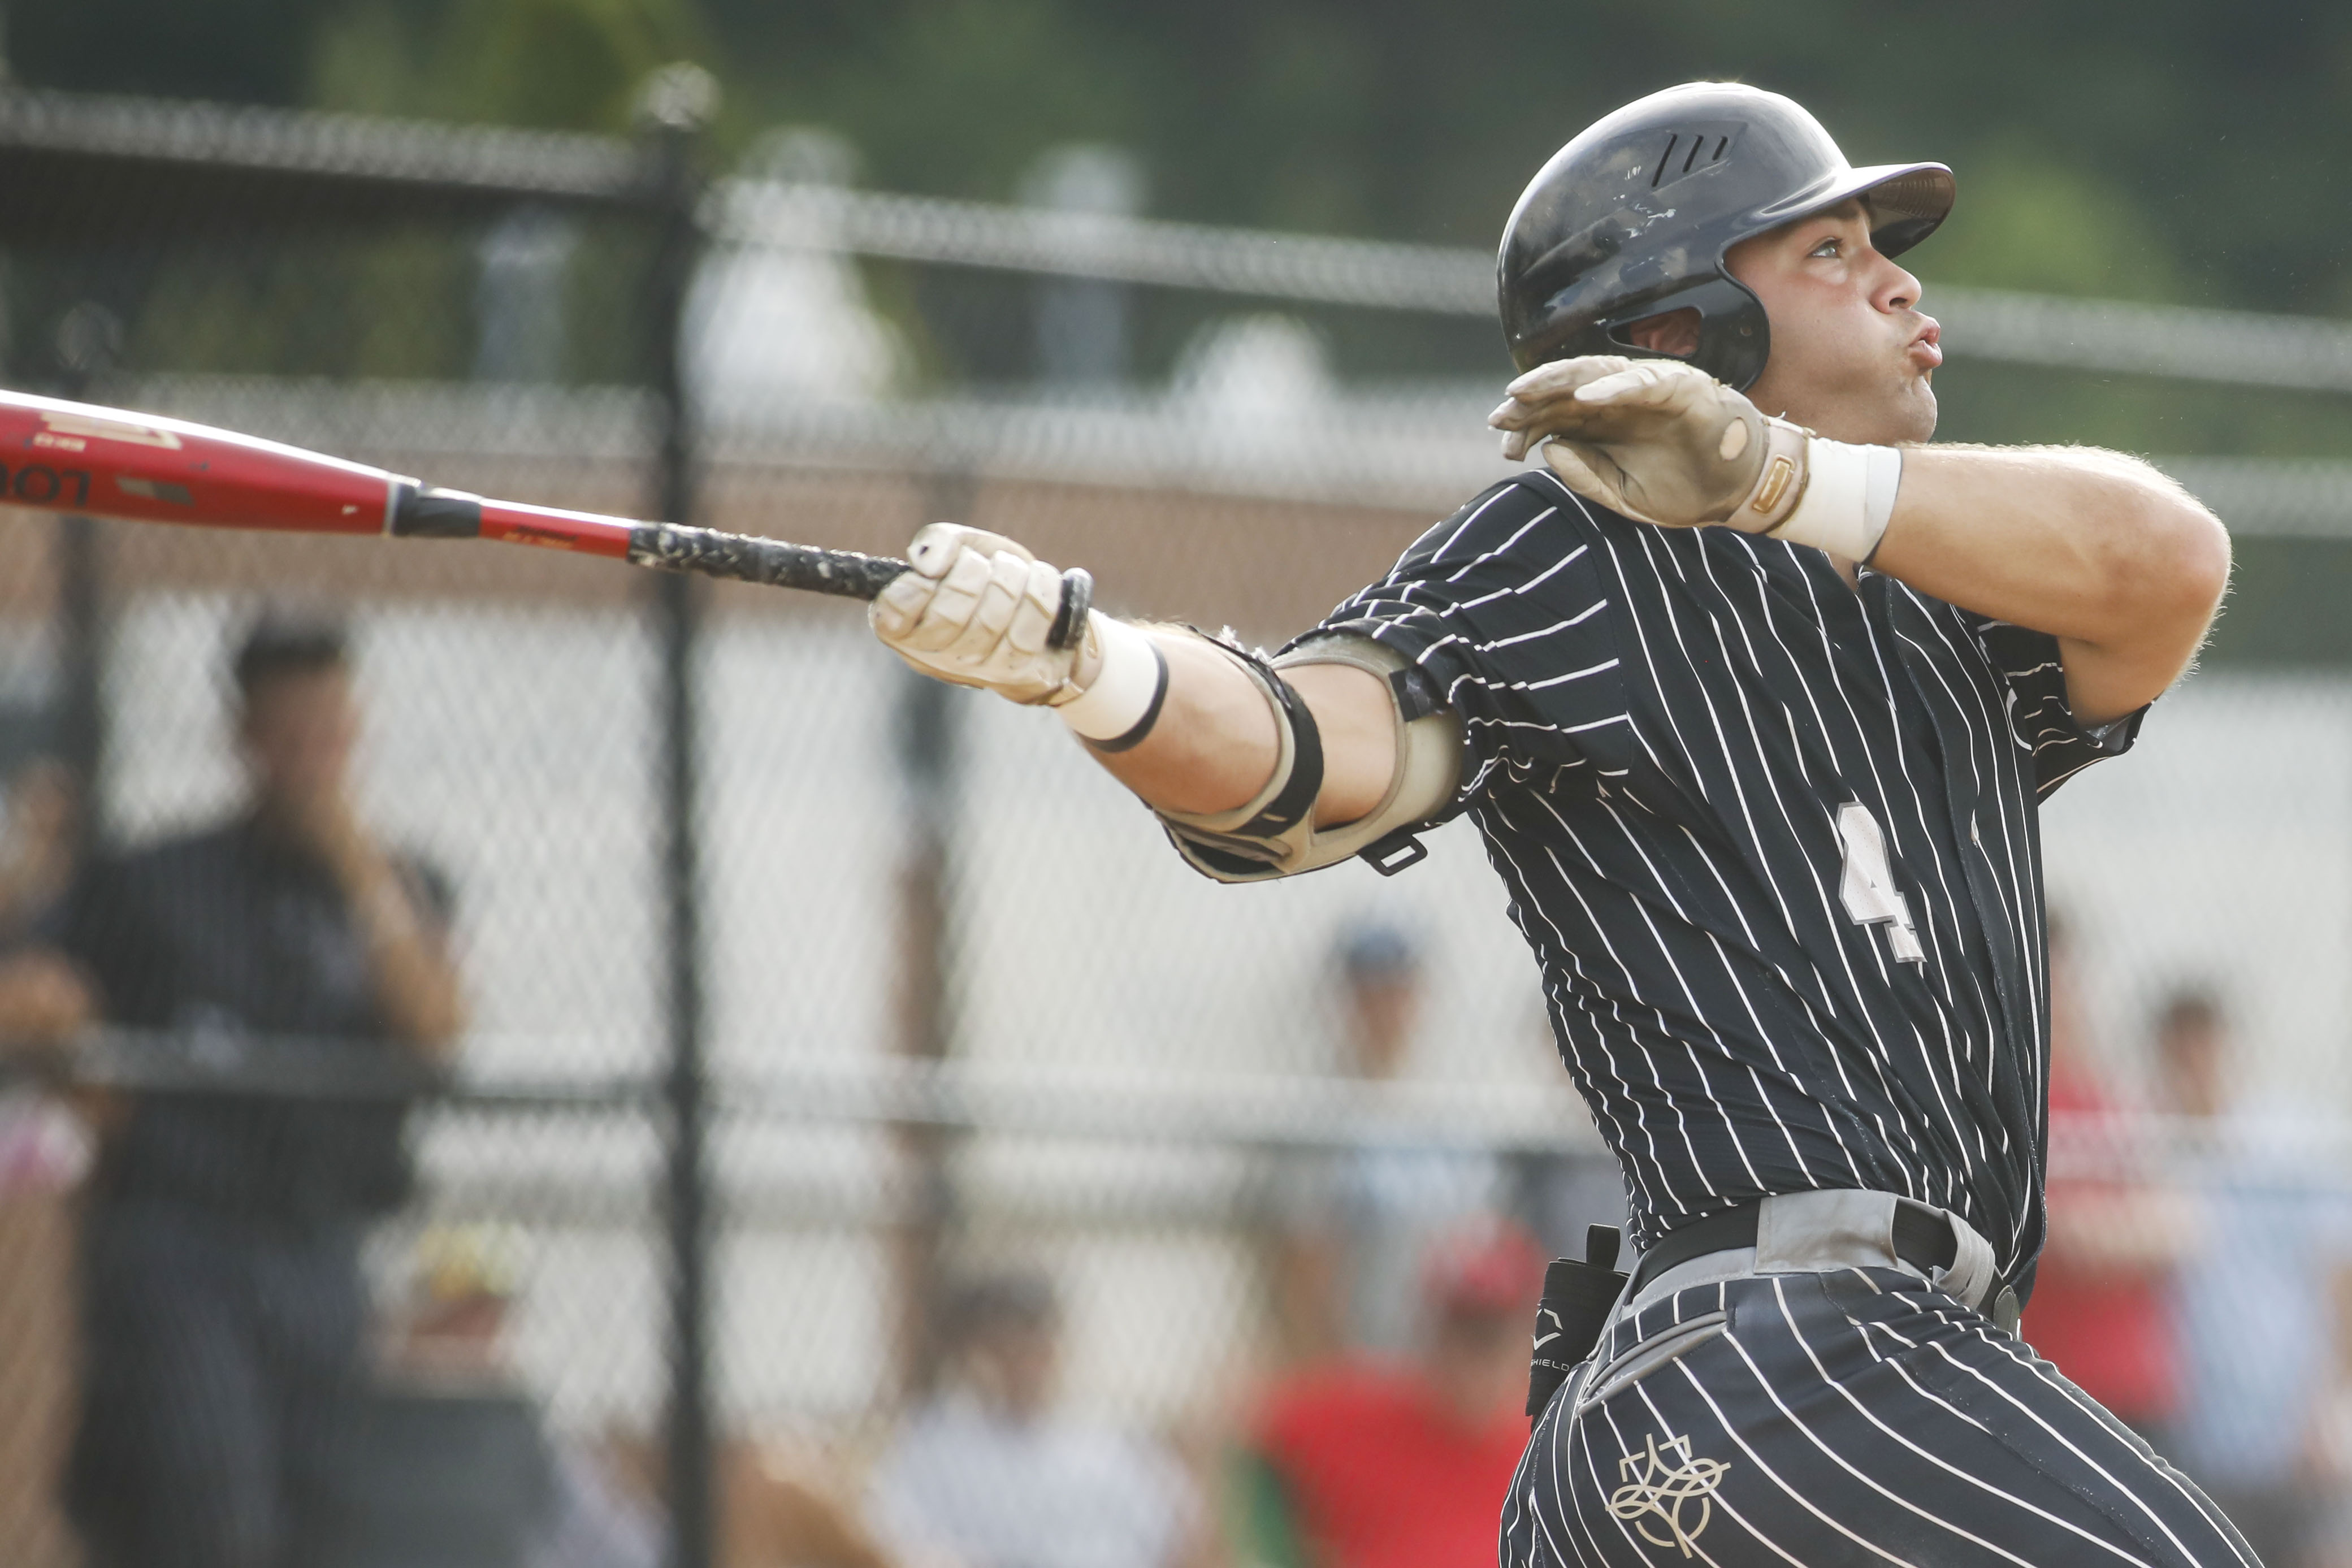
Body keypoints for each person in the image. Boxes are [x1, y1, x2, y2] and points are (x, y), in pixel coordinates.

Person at [865, 80, 2244, 1566]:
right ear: (1673, 337)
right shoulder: (1569, 542)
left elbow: (2166, 561)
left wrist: (1784, 476)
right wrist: (1089, 663)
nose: (1902, 279)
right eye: (1829, 253)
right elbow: (1303, 747)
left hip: (1838, 1381)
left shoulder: (1948, 584)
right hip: (1774, 1360)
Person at [53, 612, 466, 1568]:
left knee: (323, 1514)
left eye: (328, 729)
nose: (309, 756)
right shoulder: (160, 880)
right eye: (287, 731)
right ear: (243, 737)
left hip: (321, 1240)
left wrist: (356, 862)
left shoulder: (394, 887)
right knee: (206, 1500)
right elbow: (48, 996)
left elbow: (437, 1031)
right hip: (182, 1239)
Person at [2158, 991, 2347, 1568]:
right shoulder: (2155, 1149)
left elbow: (2338, 1279)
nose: (2196, 1070)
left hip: (2293, 1426)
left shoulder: (2283, 1142)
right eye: (2181, 1057)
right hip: (2200, 1433)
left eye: (2206, 1051)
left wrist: (2329, 1408)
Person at [1240, 1219, 1543, 1568]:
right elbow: (1241, 1436)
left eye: (1491, 1337)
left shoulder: (1554, 1446)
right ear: (1429, 1332)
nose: (1473, 1359)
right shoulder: (1357, 1416)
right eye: (1460, 1331)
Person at [1267, 922, 1506, 1361]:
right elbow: (1304, 1259)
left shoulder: (1455, 1109)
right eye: (1368, 994)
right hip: (1363, 1357)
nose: (1383, 1010)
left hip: (1444, 1370)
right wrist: (1334, 1366)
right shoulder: (1319, 1114)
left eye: (1396, 992)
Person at [869, 1268, 1203, 1568]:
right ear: (972, 1353)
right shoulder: (936, 1445)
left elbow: (1176, 1537)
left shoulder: (1105, 1444)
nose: (1025, 1362)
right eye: (1005, 1346)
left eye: (1037, 1343)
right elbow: (899, 1541)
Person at [2017, 919, 2193, 1446]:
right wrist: (2126, 1231)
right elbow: (2066, 1237)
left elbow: (2181, 1228)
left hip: (2140, 1389)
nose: (2067, 998)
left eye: (2070, 980)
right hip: (2056, 1387)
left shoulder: (2105, 1099)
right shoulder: (2017, 1108)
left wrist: (2114, 1233)